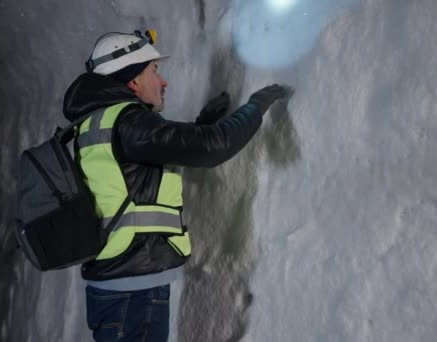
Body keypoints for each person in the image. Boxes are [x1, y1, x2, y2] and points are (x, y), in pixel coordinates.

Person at [62, 29, 287, 341]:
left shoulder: (100, 123)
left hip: (124, 288)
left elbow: (141, 168)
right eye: (154, 71)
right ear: (132, 81)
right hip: (132, 296)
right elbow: (212, 148)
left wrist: (201, 125)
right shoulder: (127, 121)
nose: (163, 81)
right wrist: (255, 107)